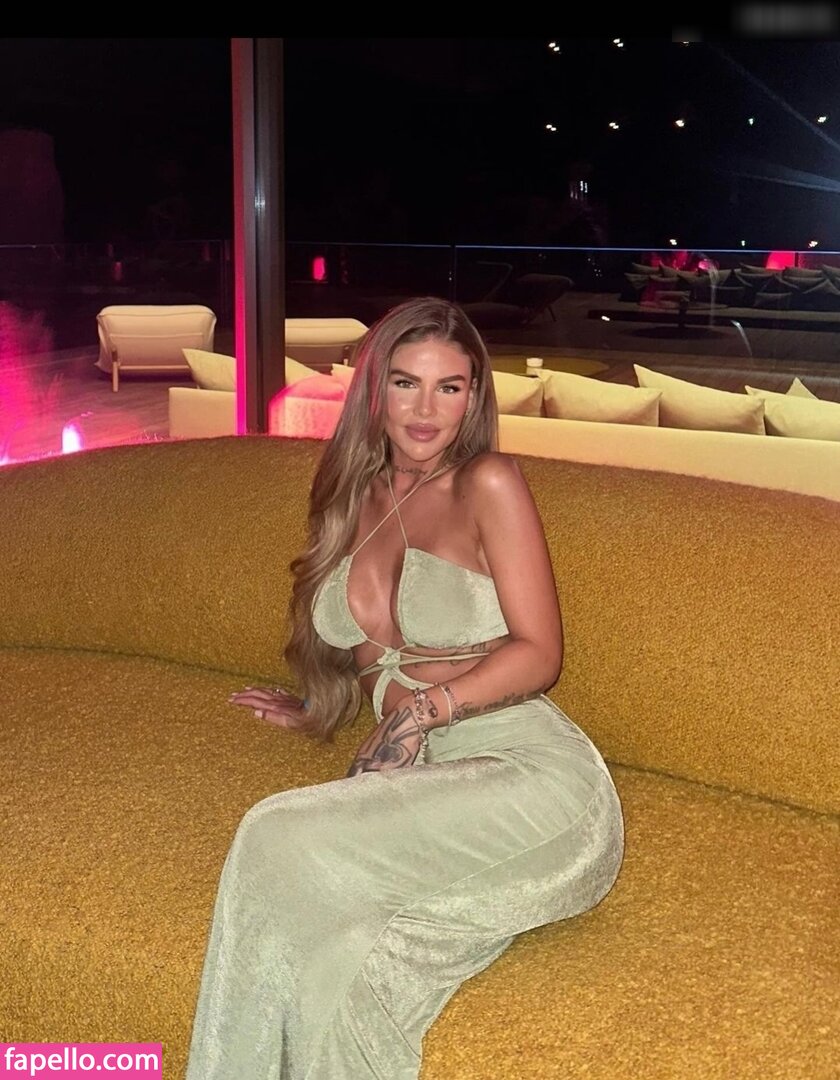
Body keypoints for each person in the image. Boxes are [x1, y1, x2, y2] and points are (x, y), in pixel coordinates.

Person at [185, 296, 625, 1079]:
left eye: (449, 387)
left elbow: (541, 653)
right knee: (340, 968)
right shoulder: (353, 494)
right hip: (426, 782)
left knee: (273, 834)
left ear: (473, 397)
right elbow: (370, 653)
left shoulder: (486, 483)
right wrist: (319, 708)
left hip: (530, 777)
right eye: (406, 383)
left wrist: (421, 712)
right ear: (375, 391)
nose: (426, 410)